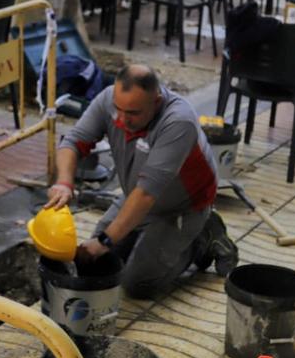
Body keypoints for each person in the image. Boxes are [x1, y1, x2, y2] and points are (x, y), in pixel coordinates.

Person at [46, 65, 238, 298]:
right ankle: (153, 239)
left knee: (139, 284)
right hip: (135, 196)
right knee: (99, 262)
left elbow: (147, 193)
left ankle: (204, 237)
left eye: (134, 113)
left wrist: (105, 241)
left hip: (181, 207)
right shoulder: (109, 99)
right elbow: (73, 142)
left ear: (156, 102)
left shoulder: (178, 122)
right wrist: (64, 183)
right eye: (119, 110)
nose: (123, 119)